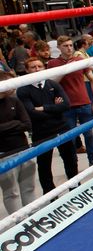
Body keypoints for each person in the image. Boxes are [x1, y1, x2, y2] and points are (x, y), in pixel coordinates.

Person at [16, 58, 79, 194]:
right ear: (27, 70)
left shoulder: (52, 84)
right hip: (41, 132)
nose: (37, 69)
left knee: (71, 159)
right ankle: (50, 193)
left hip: (62, 128)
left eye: (39, 66)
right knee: (44, 164)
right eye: (33, 67)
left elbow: (65, 105)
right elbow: (32, 113)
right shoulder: (23, 90)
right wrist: (54, 108)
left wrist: (43, 108)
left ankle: (75, 187)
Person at [47, 36, 93, 166]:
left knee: (88, 134)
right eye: (65, 46)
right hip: (66, 106)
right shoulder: (52, 63)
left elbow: (92, 80)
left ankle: (92, 161)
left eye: (71, 45)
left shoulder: (79, 60)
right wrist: (66, 69)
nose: (69, 48)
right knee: (69, 137)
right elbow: (51, 84)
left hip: (84, 102)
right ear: (59, 47)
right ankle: (73, 164)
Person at [0, 71, 36, 214]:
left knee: (29, 187)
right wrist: (15, 123)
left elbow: (27, 124)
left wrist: (6, 127)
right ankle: (18, 223)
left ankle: (34, 218)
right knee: (11, 192)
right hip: (4, 154)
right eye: (11, 82)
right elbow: (20, 124)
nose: (14, 85)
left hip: (23, 149)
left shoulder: (15, 100)